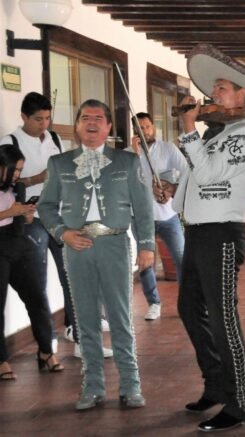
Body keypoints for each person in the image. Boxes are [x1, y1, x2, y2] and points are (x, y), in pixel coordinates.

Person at [172, 44, 245, 433]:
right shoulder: (217, 134)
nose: (213, 94)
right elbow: (197, 181)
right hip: (199, 232)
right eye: (215, 88)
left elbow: (206, 175)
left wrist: (188, 130)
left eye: (222, 88)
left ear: (243, 96)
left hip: (220, 235)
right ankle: (217, 385)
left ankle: (241, 403)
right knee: (189, 309)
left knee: (223, 320)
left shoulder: (243, 136)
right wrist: (172, 194)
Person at [38, 99, 154, 410]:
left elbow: (143, 209)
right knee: (85, 319)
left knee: (120, 317)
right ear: (77, 126)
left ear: (108, 127)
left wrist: (146, 245)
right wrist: (63, 233)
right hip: (77, 247)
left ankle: (131, 386)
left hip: (115, 244)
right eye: (85, 118)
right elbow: (46, 206)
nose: (92, 123)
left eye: (98, 118)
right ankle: (92, 387)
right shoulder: (59, 164)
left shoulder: (126, 162)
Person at [0, 92, 113, 359]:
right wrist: (36, 179)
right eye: (38, 119)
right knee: (37, 285)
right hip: (28, 221)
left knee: (71, 274)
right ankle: (45, 343)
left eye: (48, 118)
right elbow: (7, 184)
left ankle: (77, 332)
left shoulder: (53, 139)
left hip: (58, 216)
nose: (44, 124)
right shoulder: (9, 142)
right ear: (24, 117)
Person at [0, 144, 63, 381]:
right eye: (15, 170)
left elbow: (18, 218)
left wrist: (25, 215)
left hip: (17, 244)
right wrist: (9, 212)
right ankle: (2, 360)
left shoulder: (15, 188)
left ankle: (46, 351)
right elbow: (7, 213)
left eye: (20, 170)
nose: (18, 176)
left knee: (37, 296)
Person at [130, 112, 187, 320]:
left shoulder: (167, 149)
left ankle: (187, 302)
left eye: (147, 127)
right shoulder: (129, 154)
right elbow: (130, 182)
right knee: (146, 263)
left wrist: (172, 190)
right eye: (140, 128)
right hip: (141, 218)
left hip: (168, 216)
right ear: (134, 131)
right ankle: (154, 303)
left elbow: (187, 171)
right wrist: (134, 156)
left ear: (153, 127)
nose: (145, 131)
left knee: (182, 258)